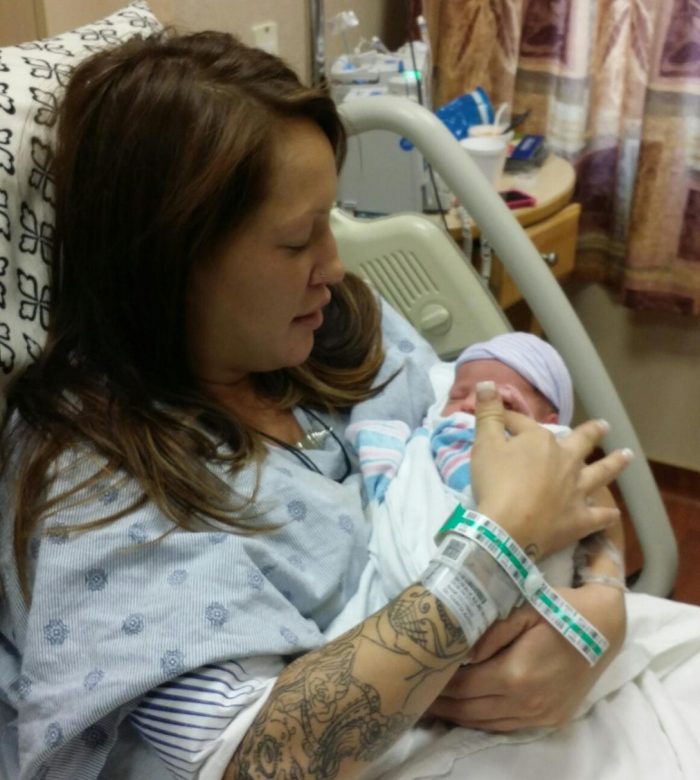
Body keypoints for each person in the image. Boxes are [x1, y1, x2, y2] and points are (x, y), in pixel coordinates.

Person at [0, 28, 682, 780]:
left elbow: (546, 463)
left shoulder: (335, 327)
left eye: (330, 218)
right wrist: (497, 547)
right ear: (168, 260)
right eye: (297, 242)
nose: (333, 263)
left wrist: (603, 609)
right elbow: (251, 759)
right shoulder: (92, 472)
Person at [324, 331, 625, 640]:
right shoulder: (427, 439)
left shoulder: (550, 443)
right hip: (400, 588)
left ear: (548, 420)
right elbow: (396, 476)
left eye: (504, 401)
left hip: (515, 607)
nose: (472, 406)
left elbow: (580, 497)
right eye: (457, 395)